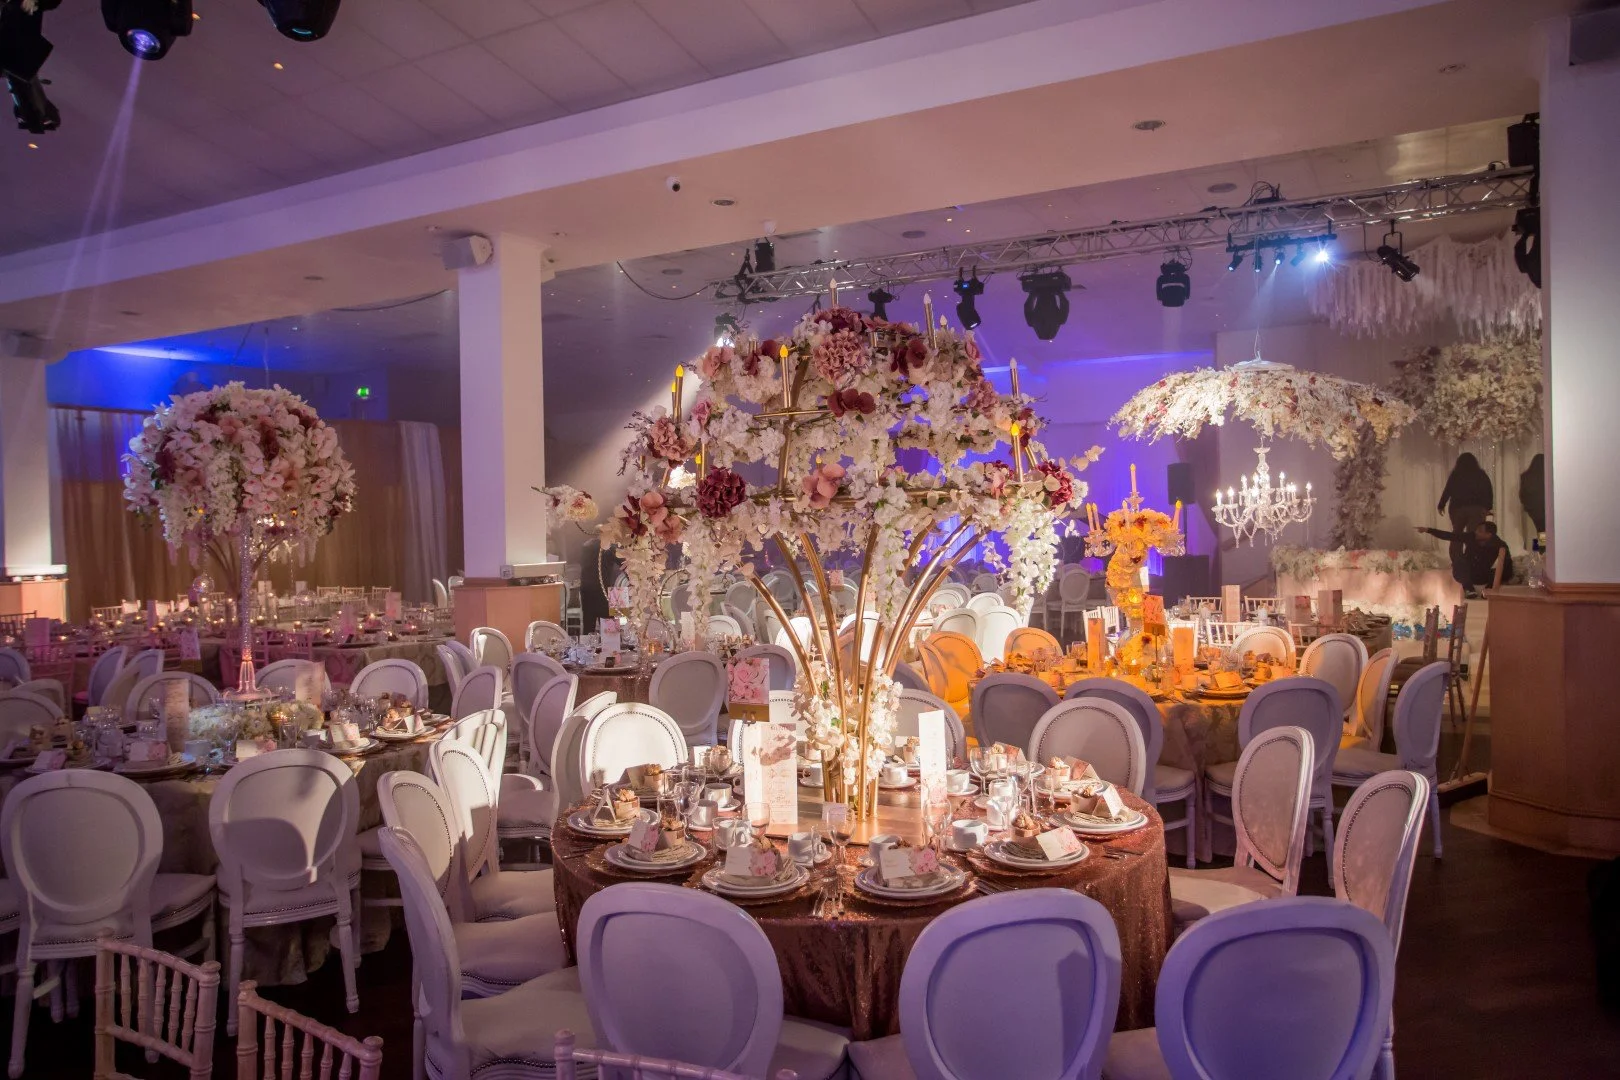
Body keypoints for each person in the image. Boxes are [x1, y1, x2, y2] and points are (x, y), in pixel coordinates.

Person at [1419, 519, 1513, 598]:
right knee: (1458, 562)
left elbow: (1507, 565)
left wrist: (1495, 585)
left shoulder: (1500, 545)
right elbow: (1451, 536)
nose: (1476, 532)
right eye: (1477, 530)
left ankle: (1487, 592)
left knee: (1501, 570)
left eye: (1480, 531)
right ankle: (1469, 589)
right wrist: (1428, 530)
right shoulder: (1472, 537)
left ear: (1489, 534)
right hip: (1470, 572)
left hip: (1486, 574)